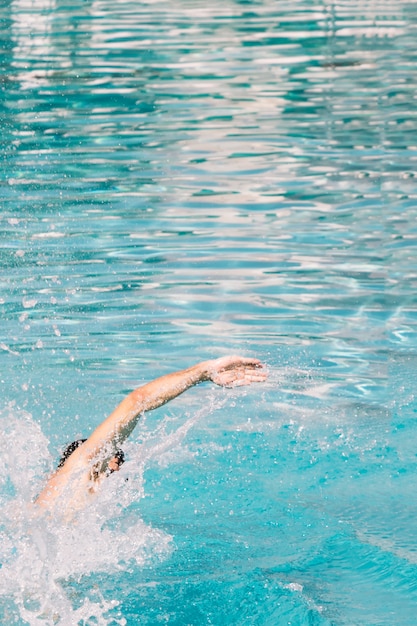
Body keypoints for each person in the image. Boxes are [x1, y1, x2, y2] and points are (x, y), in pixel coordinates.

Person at [34, 355, 267, 519]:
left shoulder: (39, 506)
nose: (114, 478)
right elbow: (137, 401)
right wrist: (201, 372)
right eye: (112, 468)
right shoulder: (78, 473)